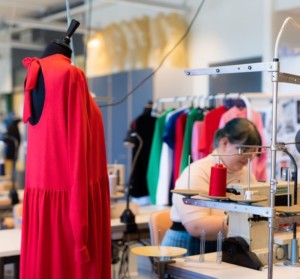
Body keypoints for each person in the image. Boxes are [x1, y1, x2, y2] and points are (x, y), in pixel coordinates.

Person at [161, 118, 262, 255]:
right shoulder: (197, 172)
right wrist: (247, 223)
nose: (248, 157)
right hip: (187, 248)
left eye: (252, 153)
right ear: (224, 143)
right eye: (243, 150)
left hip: (225, 246)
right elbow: (197, 226)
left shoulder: (246, 175)